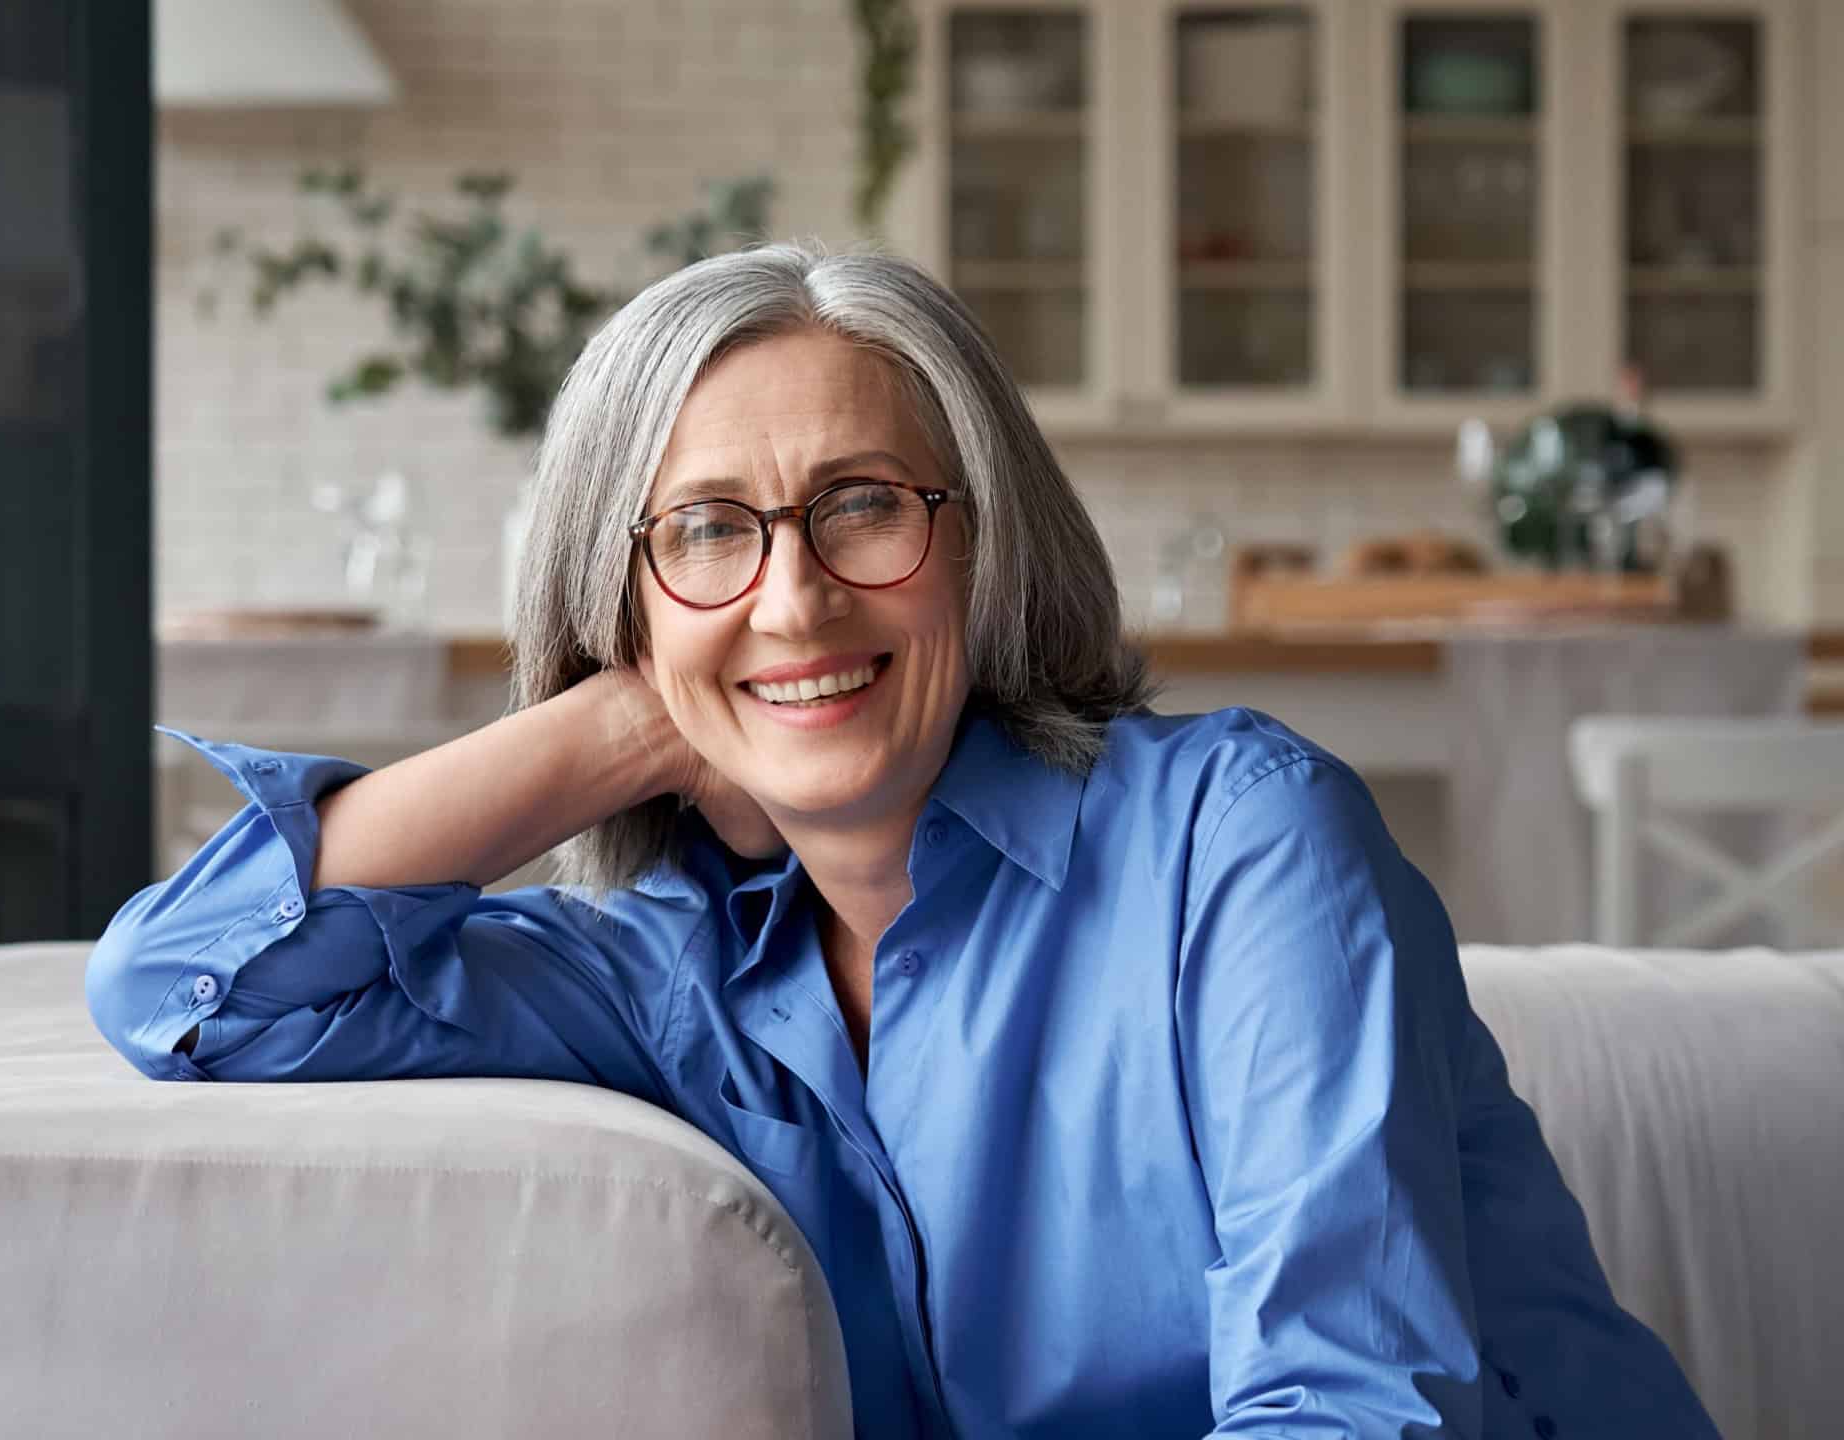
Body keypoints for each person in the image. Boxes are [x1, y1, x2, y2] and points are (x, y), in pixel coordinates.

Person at [88, 242, 1720, 1440]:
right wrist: (637, 711)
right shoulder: (678, 980)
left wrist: (715, 649)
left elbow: (1358, 1416)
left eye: (862, 505)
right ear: (617, 595)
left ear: (980, 545)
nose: (796, 594)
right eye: (706, 532)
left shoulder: (1238, 844)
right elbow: (192, 989)